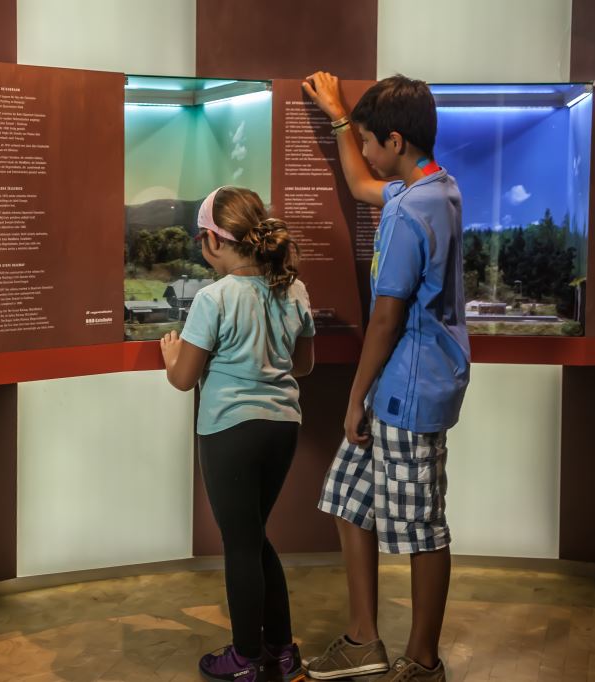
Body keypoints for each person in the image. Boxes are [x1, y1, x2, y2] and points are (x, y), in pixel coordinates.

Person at [299, 72, 470, 682]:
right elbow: (361, 181)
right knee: (347, 501)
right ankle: (363, 640)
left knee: (423, 527)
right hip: (406, 384)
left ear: (395, 141)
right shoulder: (435, 190)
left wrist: (354, 397)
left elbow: (386, 318)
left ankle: (423, 661)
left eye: (372, 140)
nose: (367, 151)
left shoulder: (407, 215)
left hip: (406, 391)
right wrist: (342, 119)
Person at [160, 186, 315, 682]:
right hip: (283, 430)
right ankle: (282, 648)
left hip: (229, 431)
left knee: (241, 544)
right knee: (254, 538)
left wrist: (170, 356)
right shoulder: (293, 289)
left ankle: (246, 657)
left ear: (212, 240)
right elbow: (305, 363)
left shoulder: (213, 298)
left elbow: (185, 379)